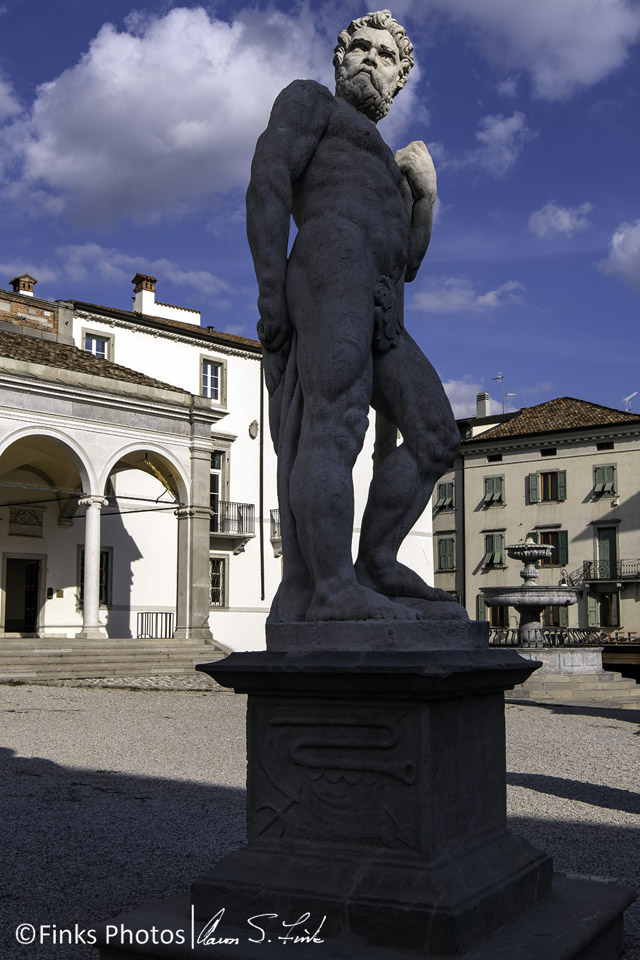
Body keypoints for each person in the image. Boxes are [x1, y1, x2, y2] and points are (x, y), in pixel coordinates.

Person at [247, 9, 463, 623]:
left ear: (398, 83)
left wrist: (425, 197)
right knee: (336, 422)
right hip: (329, 263)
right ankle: (332, 589)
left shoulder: (391, 165)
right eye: (360, 48)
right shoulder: (311, 102)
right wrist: (271, 297)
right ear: (340, 59)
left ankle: (377, 563)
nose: (372, 58)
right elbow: (267, 183)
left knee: (436, 437)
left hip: (382, 299)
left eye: (387, 56)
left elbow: (409, 262)